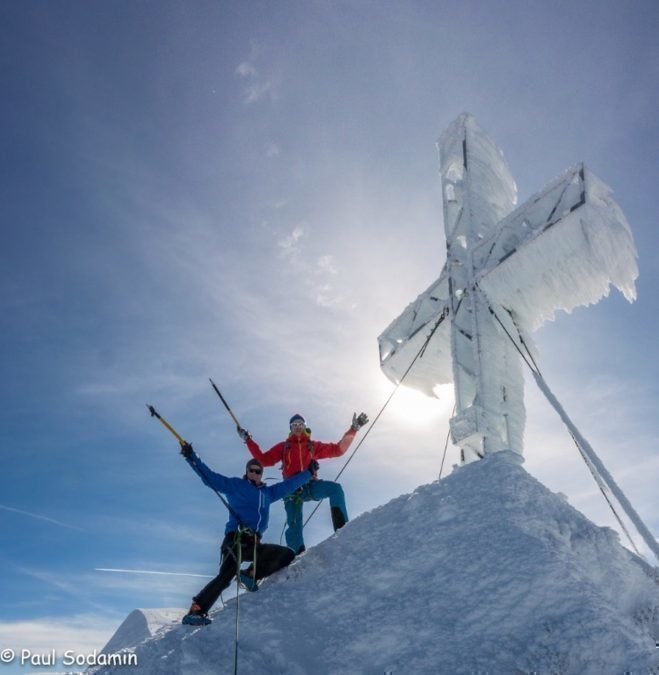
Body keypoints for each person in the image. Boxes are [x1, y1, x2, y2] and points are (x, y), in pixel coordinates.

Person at [180, 442, 316, 626]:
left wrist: (308, 472)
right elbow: (210, 478)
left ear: (261, 474)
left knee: (287, 554)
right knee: (226, 575)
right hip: (236, 539)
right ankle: (197, 610)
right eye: (251, 470)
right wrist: (191, 458)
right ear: (246, 472)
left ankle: (250, 574)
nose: (254, 473)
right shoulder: (235, 486)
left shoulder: (268, 493)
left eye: (258, 471)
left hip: (254, 543)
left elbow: (289, 485)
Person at [237, 411, 368, 555]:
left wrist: (353, 429)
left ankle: (342, 530)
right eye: (294, 425)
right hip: (291, 489)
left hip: (309, 486)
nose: (298, 427)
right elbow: (263, 459)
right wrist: (248, 440)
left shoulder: (312, 446)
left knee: (335, 489)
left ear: (305, 427)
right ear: (290, 428)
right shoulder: (284, 446)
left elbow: (338, 450)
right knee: (294, 523)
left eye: (301, 424)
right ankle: (296, 555)